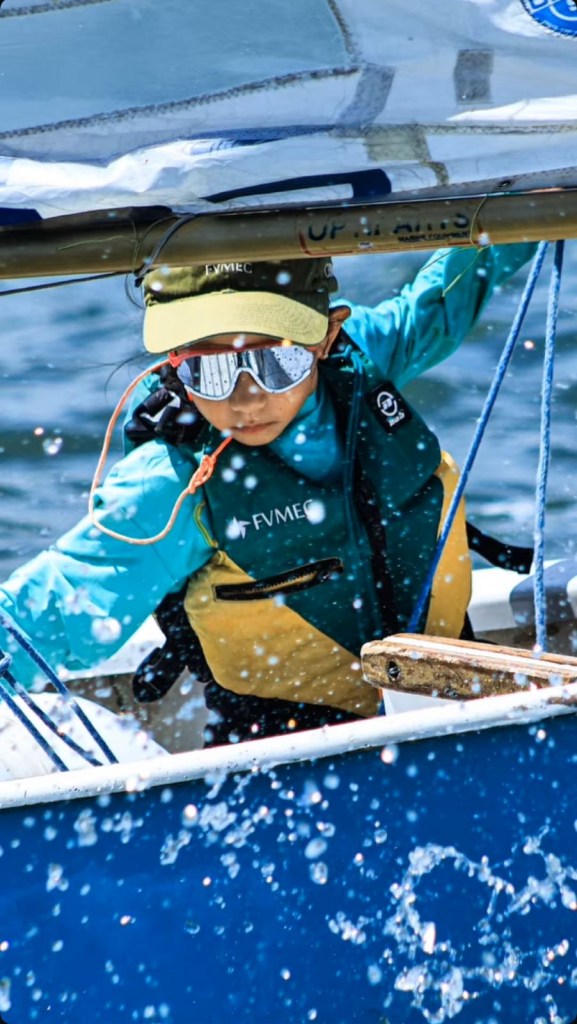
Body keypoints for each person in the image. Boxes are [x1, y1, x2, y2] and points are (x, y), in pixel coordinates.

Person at [0, 245, 535, 746]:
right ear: (172, 364)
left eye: (277, 363)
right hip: (286, 755)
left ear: (326, 338)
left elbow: (445, 299)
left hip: (455, 711)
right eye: (208, 370)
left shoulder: (355, 362)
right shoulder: (169, 485)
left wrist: (531, 211)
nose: (246, 398)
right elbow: (55, 602)